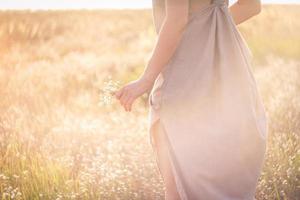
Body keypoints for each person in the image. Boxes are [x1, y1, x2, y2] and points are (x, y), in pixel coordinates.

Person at [114, 0, 268, 199]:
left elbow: (177, 20)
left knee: (179, 188)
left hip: (186, 77)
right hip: (229, 72)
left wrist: (146, 79)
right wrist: (209, 27)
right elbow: (251, 5)